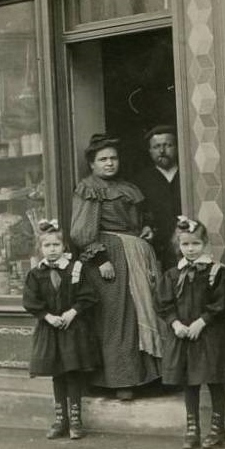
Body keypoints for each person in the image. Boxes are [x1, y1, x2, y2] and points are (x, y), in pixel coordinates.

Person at [70, 134, 164, 401]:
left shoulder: (127, 187)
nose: (109, 163)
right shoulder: (88, 188)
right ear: (92, 164)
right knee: (118, 316)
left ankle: (146, 376)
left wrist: (146, 228)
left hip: (135, 254)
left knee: (141, 312)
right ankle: (121, 380)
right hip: (109, 258)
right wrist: (101, 260)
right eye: (103, 159)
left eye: (113, 158)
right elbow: (81, 232)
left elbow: (142, 217)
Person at [156, 216, 225, 449]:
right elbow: (164, 304)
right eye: (185, 244)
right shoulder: (173, 275)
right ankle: (192, 427)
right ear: (178, 246)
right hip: (183, 335)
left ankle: (217, 427)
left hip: (208, 335)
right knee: (188, 381)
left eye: (195, 244)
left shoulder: (215, 272)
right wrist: (175, 324)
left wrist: (202, 322)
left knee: (214, 379)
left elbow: (222, 303)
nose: (190, 249)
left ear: (205, 245)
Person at [22, 219, 101, 440]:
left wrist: (72, 312)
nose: (52, 250)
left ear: (64, 246)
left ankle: (76, 420)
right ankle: (60, 419)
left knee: (72, 373)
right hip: (51, 330)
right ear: (41, 249)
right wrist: (47, 316)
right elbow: (30, 301)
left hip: (72, 329)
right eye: (47, 246)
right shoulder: (36, 273)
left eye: (56, 245)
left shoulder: (75, 269)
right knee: (57, 375)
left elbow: (89, 296)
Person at [131, 124, 182, 272]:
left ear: (178, 147)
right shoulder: (141, 181)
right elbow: (140, 212)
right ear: (149, 151)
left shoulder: (187, 173)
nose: (162, 151)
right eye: (156, 147)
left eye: (168, 145)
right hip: (158, 248)